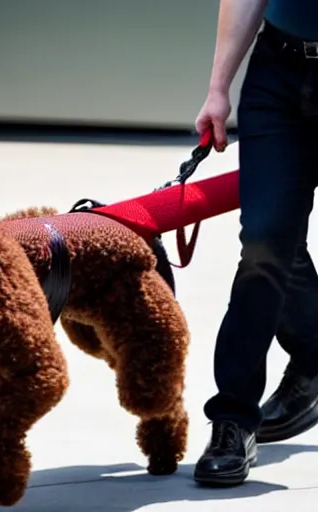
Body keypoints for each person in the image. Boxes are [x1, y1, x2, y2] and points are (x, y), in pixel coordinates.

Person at [193, 0, 318, 486]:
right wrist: (218, 88)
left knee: (275, 246)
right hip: (278, 75)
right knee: (267, 241)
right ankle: (232, 420)